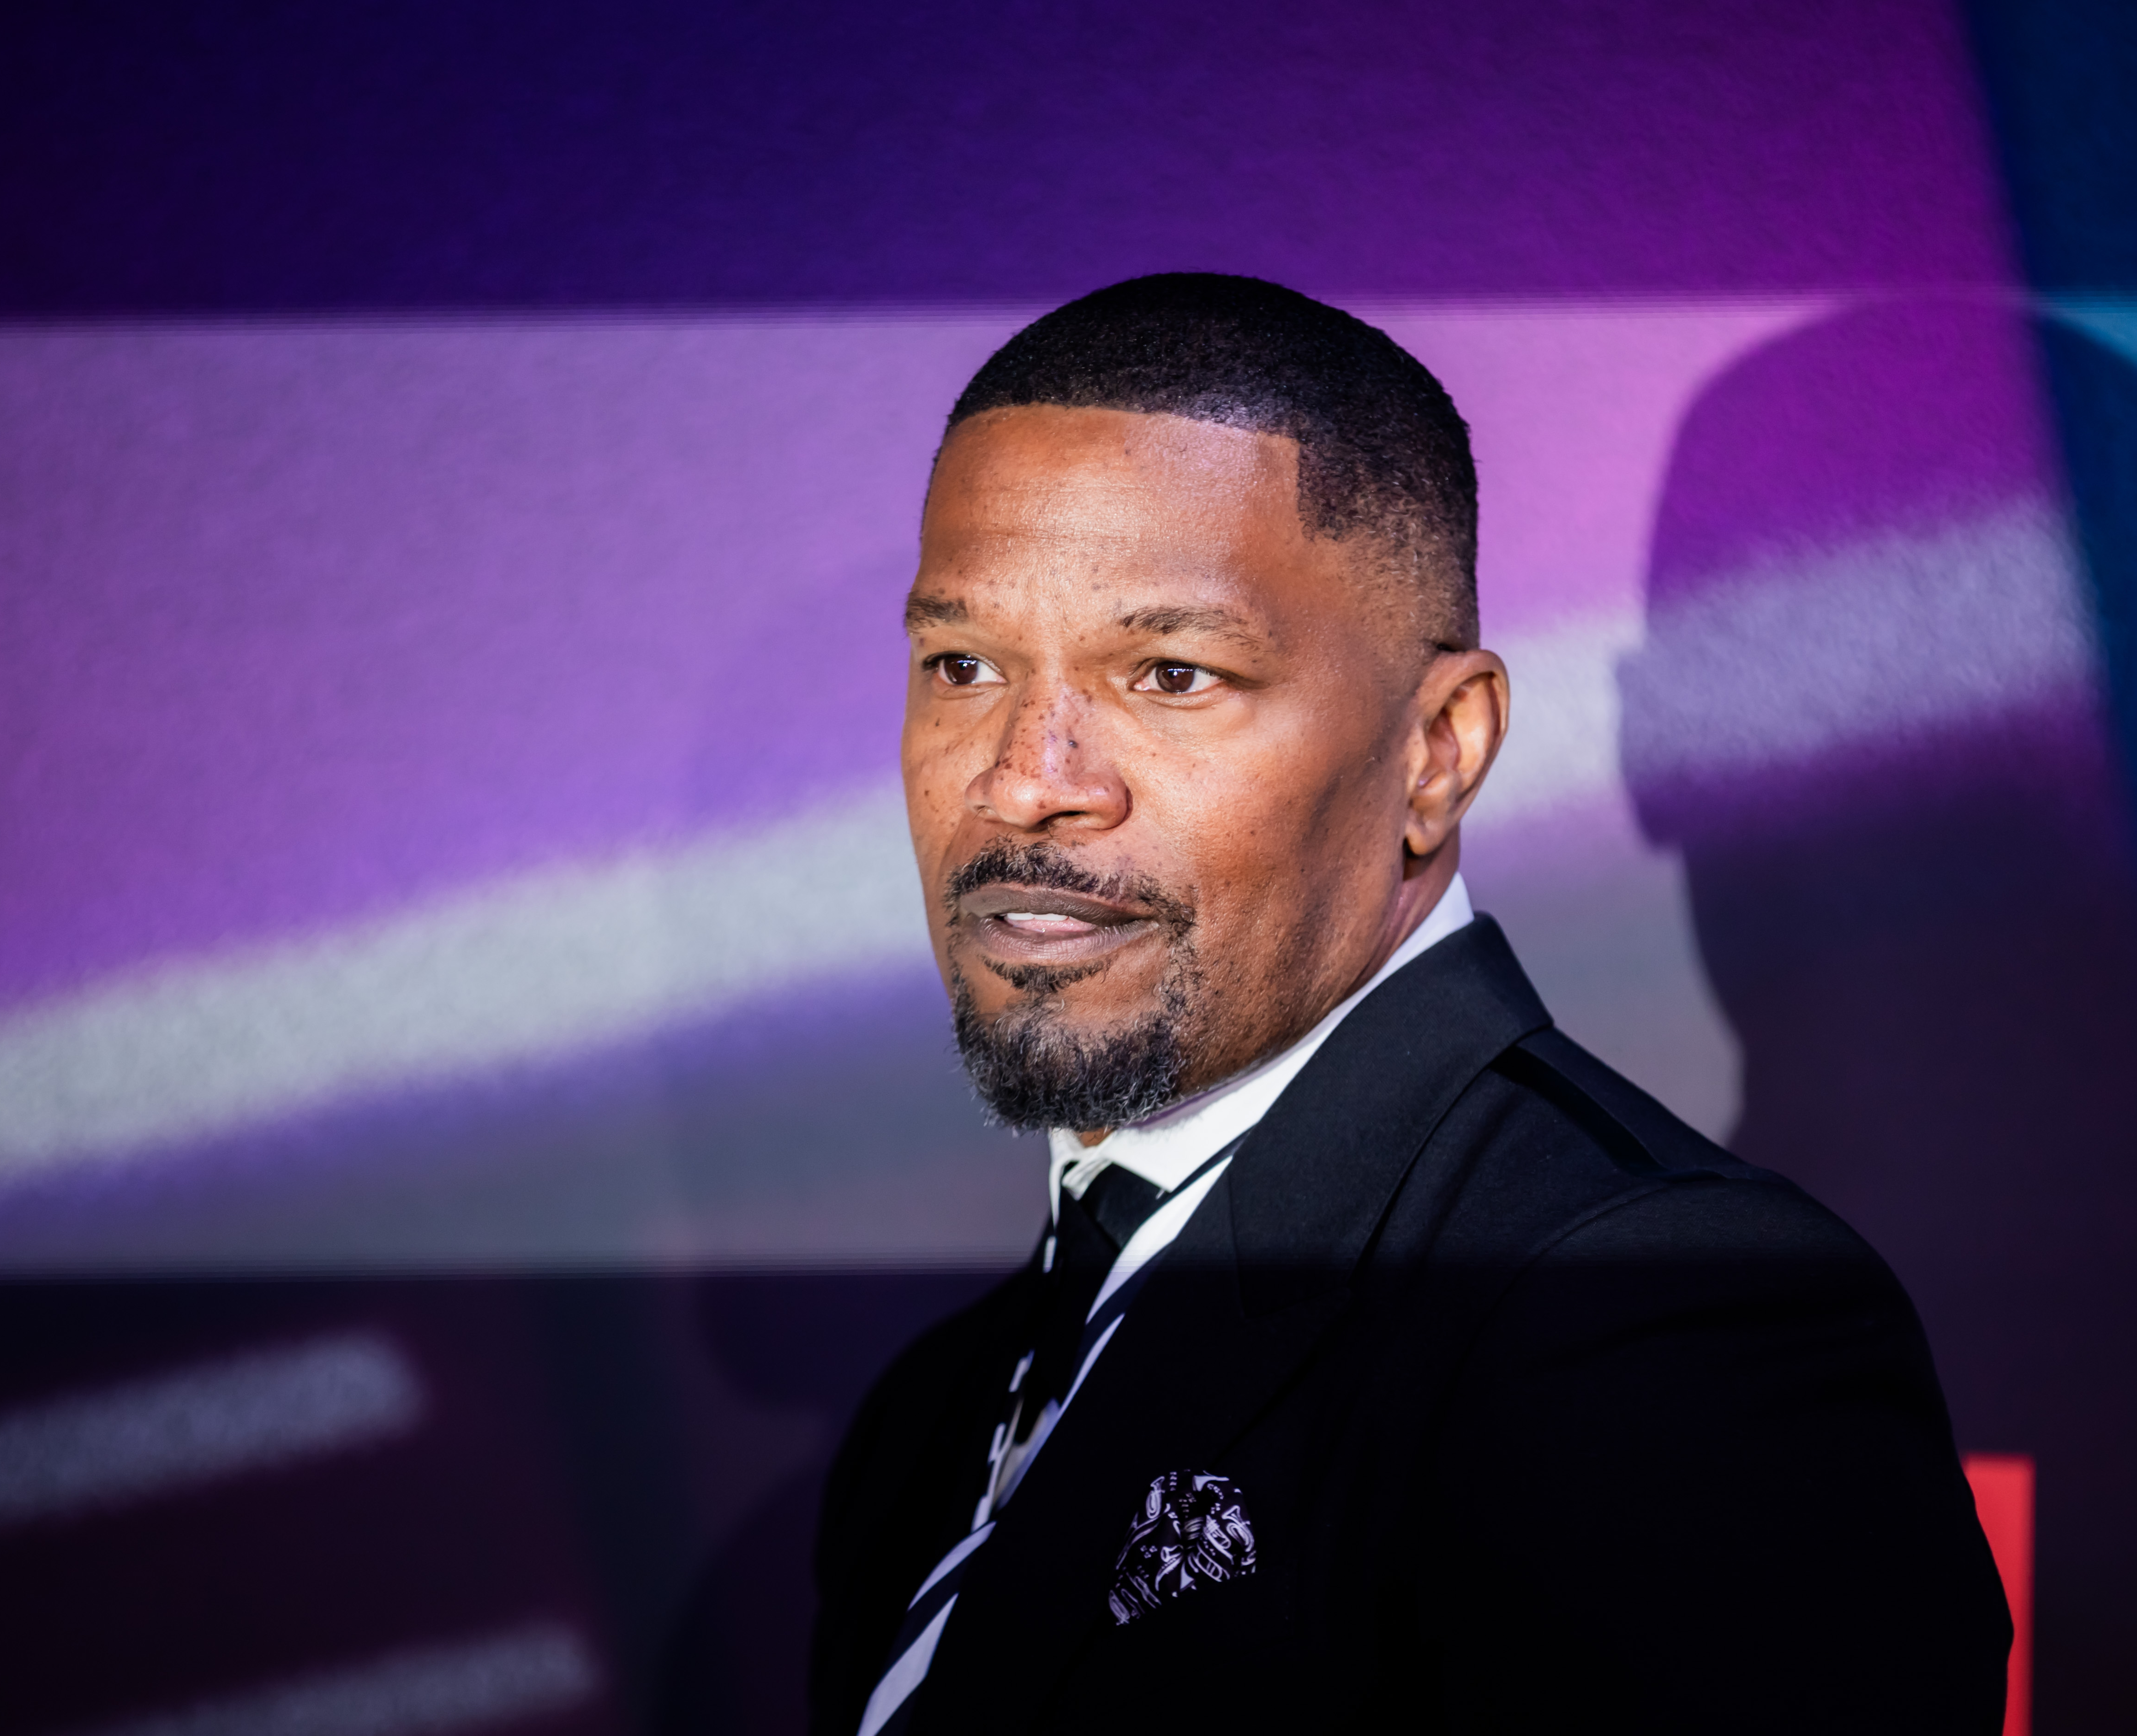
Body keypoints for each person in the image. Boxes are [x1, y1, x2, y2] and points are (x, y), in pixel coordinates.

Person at [807, 273, 2010, 1735]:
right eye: (964, 664)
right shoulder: (931, 1412)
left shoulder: (1651, 1322)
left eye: (1170, 674)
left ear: (1437, 750)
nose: (1026, 777)